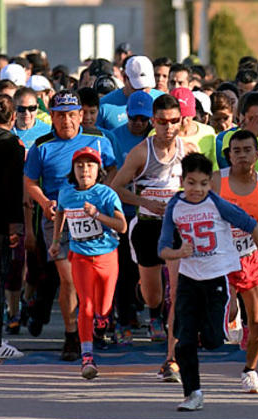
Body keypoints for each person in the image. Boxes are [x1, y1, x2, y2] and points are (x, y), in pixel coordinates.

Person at [159, 152, 258, 411]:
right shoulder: (174, 207)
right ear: (182, 181)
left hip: (218, 277)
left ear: (209, 183)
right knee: (185, 341)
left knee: (212, 340)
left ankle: (226, 319)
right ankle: (193, 393)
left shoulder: (217, 204)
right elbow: (163, 249)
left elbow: (251, 225)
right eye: (191, 183)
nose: (196, 189)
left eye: (202, 183)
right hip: (189, 278)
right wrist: (179, 253)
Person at [24, 90, 117, 361]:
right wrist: (44, 203)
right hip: (59, 219)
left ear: (81, 116)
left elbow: (113, 169)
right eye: (60, 115)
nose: (67, 121)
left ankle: (92, 321)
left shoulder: (98, 141)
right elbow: (29, 182)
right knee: (70, 279)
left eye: (72, 115)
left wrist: (104, 194)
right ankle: (71, 335)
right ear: (52, 117)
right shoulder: (42, 146)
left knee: (96, 278)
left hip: (94, 218)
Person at [110, 94, 196, 381]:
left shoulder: (189, 150)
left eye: (174, 121)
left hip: (176, 230)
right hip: (146, 228)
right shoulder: (140, 152)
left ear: (181, 122)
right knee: (154, 296)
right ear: (153, 122)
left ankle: (172, 359)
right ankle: (145, 298)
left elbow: (203, 187)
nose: (168, 128)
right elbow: (117, 186)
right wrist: (144, 202)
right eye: (162, 122)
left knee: (176, 294)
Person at [216, 130, 258, 392]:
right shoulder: (215, 182)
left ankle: (250, 370)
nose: (242, 155)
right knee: (223, 317)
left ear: (257, 154)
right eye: (237, 151)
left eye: (247, 150)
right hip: (221, 258)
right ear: (229, 156)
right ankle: (228, 314)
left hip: (253, 256)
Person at [49, 147, 127, 378]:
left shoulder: (106, 194)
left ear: (98, 170)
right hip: (80, 255)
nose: (85, 170)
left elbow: (122, 226)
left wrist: (97, 215)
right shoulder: (66, 193)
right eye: (80, 166)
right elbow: (61, 213)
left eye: (90, 165)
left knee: (102, 307)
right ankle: (87, 356)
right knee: (86, 306)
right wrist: (56, 241)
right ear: (73, 170)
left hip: (106, 256)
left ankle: (103, 321)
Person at [110, 90, 153, 345]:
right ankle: (123, 320)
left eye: (143, 118)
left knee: (150, 270)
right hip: (125, 214)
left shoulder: (155, 138)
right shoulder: (116, 137)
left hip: (150, 216)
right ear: (126, 115)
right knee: (125, 271)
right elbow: (114, 176)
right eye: (134, 118)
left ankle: (154, 318)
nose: (138, 123)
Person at [0, 94, 24, 360]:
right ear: (13, 117)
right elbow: (15, 189)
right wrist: (15, 225)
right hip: (1, 222)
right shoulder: (13, 145)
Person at [97, 56, 164, 130]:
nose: (143, 92)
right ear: (125, 78)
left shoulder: (162, 101)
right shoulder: (104, 105)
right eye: (138, 88)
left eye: (146, 87)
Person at [169, 87, 218, 172]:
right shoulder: (158, 133)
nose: (183, 121)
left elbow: (214, 169)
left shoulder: (208, 132)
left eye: (187, 116)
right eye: (178, 117)